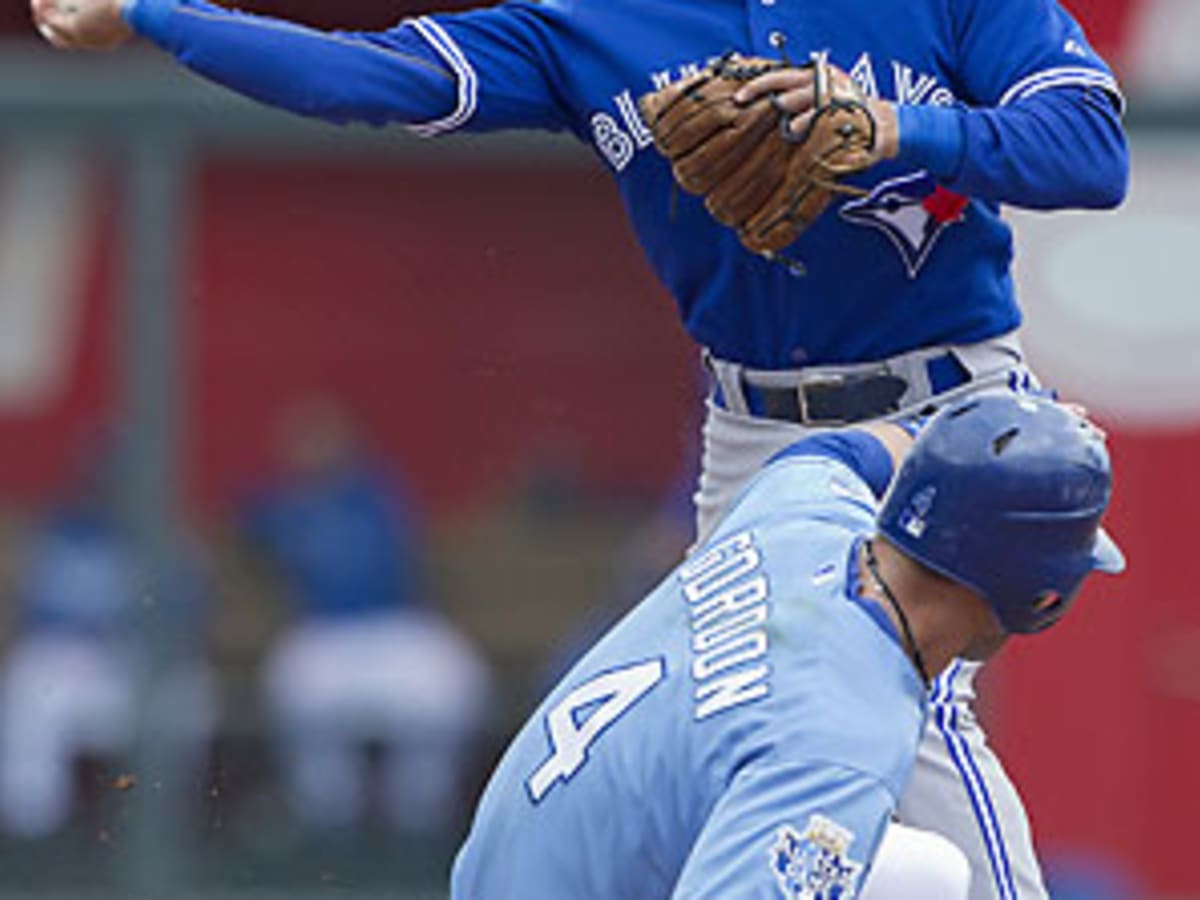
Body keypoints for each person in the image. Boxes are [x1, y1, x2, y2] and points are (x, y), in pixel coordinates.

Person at [28, 0, 1129, 894]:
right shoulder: (596, 25)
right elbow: (368, 76)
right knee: (748, 719)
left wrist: (898, 129)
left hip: (945, 416)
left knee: (908, 692)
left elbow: (1092, 149)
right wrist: (152, 14)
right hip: (756, 434)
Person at [451, 392, 1125, 899]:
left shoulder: (803, 516)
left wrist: (969, 444)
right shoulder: (842, 739)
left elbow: (833, 454)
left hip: (509, 871)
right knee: (931, 878)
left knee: (913, 869)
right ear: (1041, 594)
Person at [240, 398, 489, 833]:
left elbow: (414, 566)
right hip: (323, 634)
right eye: (306, 440)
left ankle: (418, 816)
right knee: (304, 697)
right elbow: (250, 526)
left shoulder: (376, 494)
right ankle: (329, 823)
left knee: (448, 687)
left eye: (326, 437)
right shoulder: (281, 503)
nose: (316, 448)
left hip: (395, 627)